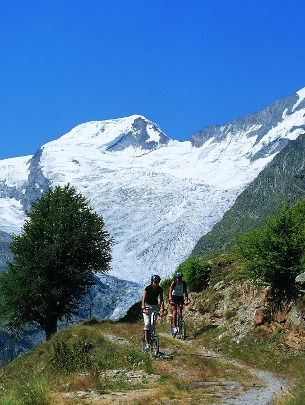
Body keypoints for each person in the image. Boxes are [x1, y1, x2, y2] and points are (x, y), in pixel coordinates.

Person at [141, 274, 165, 348]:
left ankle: (151, 336)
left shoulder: (160, 289)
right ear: (152, 282)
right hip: (147, 306)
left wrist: (162, 310)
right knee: (147, 323)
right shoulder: (148, 288)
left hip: (155, 307)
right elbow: (143, 299)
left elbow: (161, 301)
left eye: (157, 282)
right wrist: (144, 308)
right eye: (155, 282)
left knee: (153, 323)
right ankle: (147, 342)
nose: (156, 283)